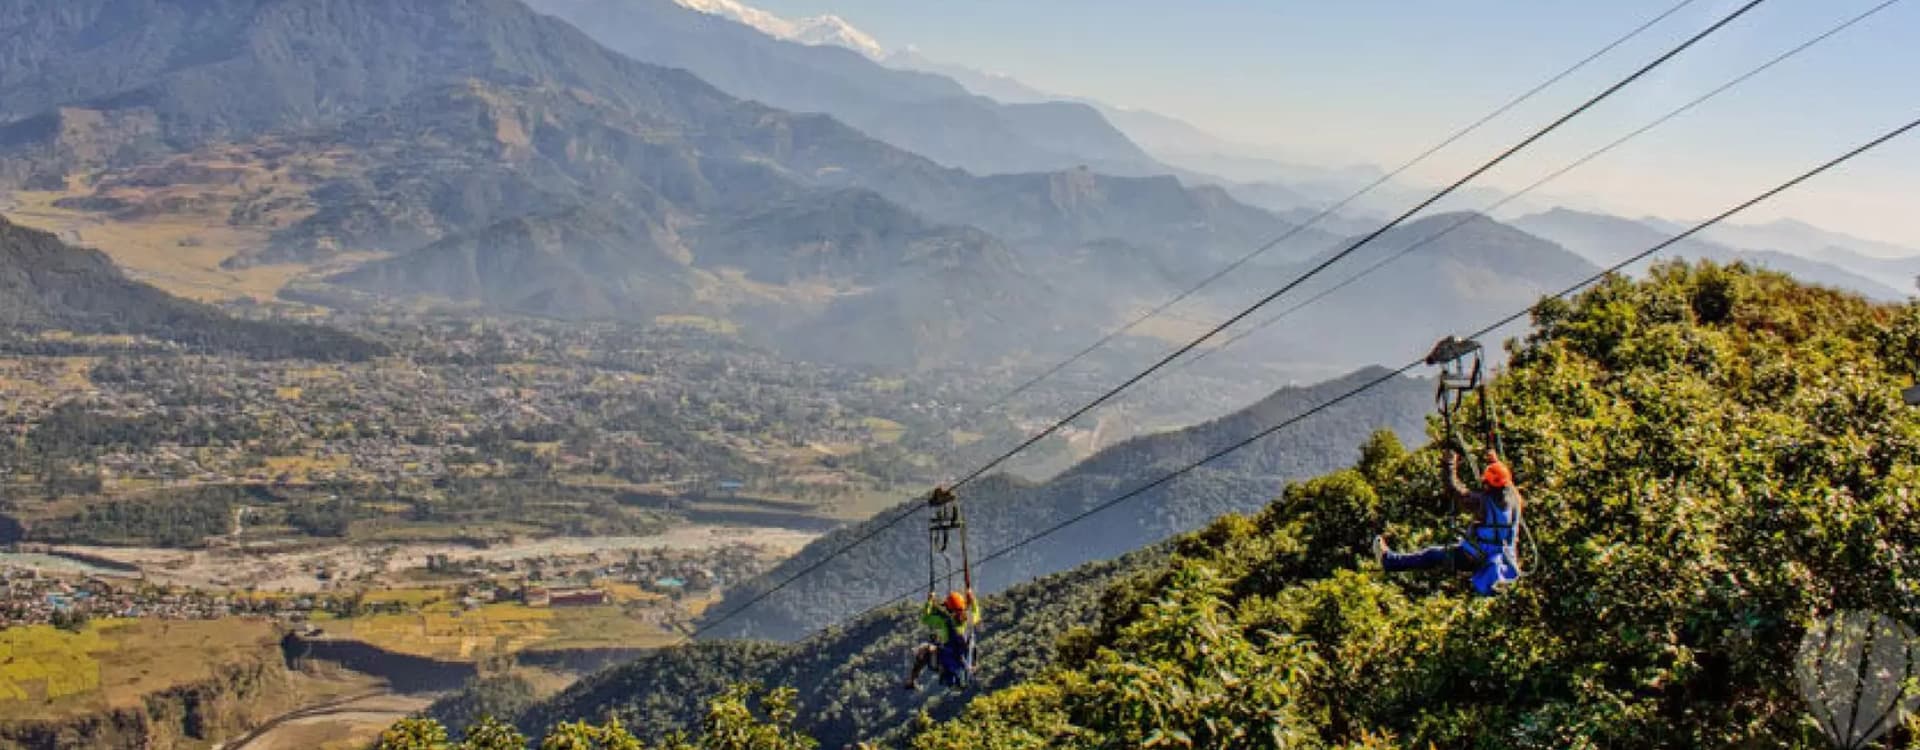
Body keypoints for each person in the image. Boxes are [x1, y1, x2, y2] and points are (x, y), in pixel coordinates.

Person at [1372, 448, 1523, 595]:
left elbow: (1454, 490)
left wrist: (1449, 465)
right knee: (1436, 555)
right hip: (1505, 557)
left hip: (1475, 556)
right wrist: (1495, 463)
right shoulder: (1515, 497)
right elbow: (1505, 482)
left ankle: (1389, 561)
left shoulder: (1482, 502)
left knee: (1432, 556)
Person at [904, 589, 980, 690]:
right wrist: (972, 598)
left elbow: (925, 618)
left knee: (924, 649)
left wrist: (930, 601)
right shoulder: (970, 619)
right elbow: (976, 613)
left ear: (949, 609)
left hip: (949, 662)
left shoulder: (944, 622)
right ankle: (973, 666)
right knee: (969, 645)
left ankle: (912, 680)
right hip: (966, 661)